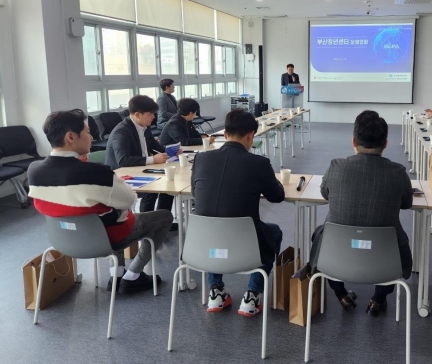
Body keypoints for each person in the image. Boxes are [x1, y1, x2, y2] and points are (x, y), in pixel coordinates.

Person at [28, 109, 173, 294]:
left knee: (107, 212)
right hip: (103, 238)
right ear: (71, 137)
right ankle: (133, 275)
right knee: (163, 217)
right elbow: (129, 200)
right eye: (88, 133)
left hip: (62, 239)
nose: (91, 138)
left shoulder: (34, 171)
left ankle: (116, 273)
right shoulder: (97, 173)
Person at [309, 110, 413, 316]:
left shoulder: (336, 167)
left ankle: (341, 294)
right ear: (385, 143)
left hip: (336, 253)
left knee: (320, 234)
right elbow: (406, 203)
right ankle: (378, 299)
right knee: (395, 241)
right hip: (385, 255)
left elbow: (325, 193)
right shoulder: (398, 172)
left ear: (353, 141)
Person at [192, 109, 285, 317]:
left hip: (203, 246)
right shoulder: (259, 164)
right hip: (245, 246)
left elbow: (196, 194)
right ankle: (252, 294)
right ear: (251, 135)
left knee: (214, 226)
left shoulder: (201, 159)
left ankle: (215, 291)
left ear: (225, 134)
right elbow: (277, 196)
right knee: (274, 231)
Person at [105, 95, 177, 227]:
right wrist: (152, 159)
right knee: (150, 191)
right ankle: (146, 226)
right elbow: (123, 160)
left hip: (140, 169)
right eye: (150, 114)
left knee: (169, 186)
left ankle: (163, 223)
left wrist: (170, 150)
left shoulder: (145, 126)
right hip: (122, 176)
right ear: (138, 114)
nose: (154, 117)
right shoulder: (122, 131)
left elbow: (153, 145)